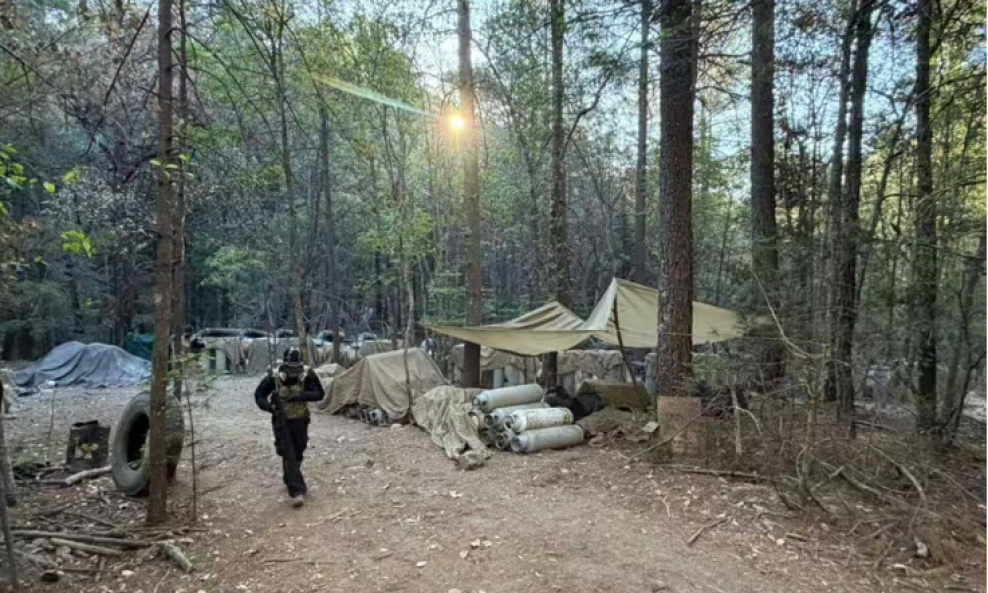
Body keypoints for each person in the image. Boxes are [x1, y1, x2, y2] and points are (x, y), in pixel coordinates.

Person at [254, 346, 324, 506]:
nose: (293, 371)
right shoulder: (274, 376)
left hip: (300, 419)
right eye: (290, 368)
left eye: (296, 368)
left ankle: (291, 475)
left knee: (299, 449)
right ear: (284, 365)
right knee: (287, 451)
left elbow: (320, 394)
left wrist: (300, 395)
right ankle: (297, 490)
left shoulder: (307, 374)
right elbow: (259, 395)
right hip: (281, 420)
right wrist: (269, 407)